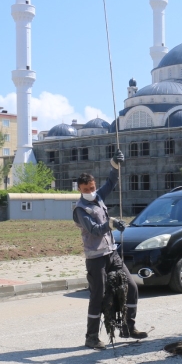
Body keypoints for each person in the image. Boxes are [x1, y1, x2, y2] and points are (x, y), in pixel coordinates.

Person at [73, 150, 147, 350]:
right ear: (80, 189)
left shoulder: (99, 197)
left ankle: (128, 327)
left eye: (93, 186)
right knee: (98, 296)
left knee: (132, 287)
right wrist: (111, 224)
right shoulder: (80, 209)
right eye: (87, 188)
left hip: (111, 253)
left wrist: (114, 166)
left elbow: (111, 183)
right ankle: (91, 337)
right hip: (95, 258)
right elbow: (94, 230)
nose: (91, 190)